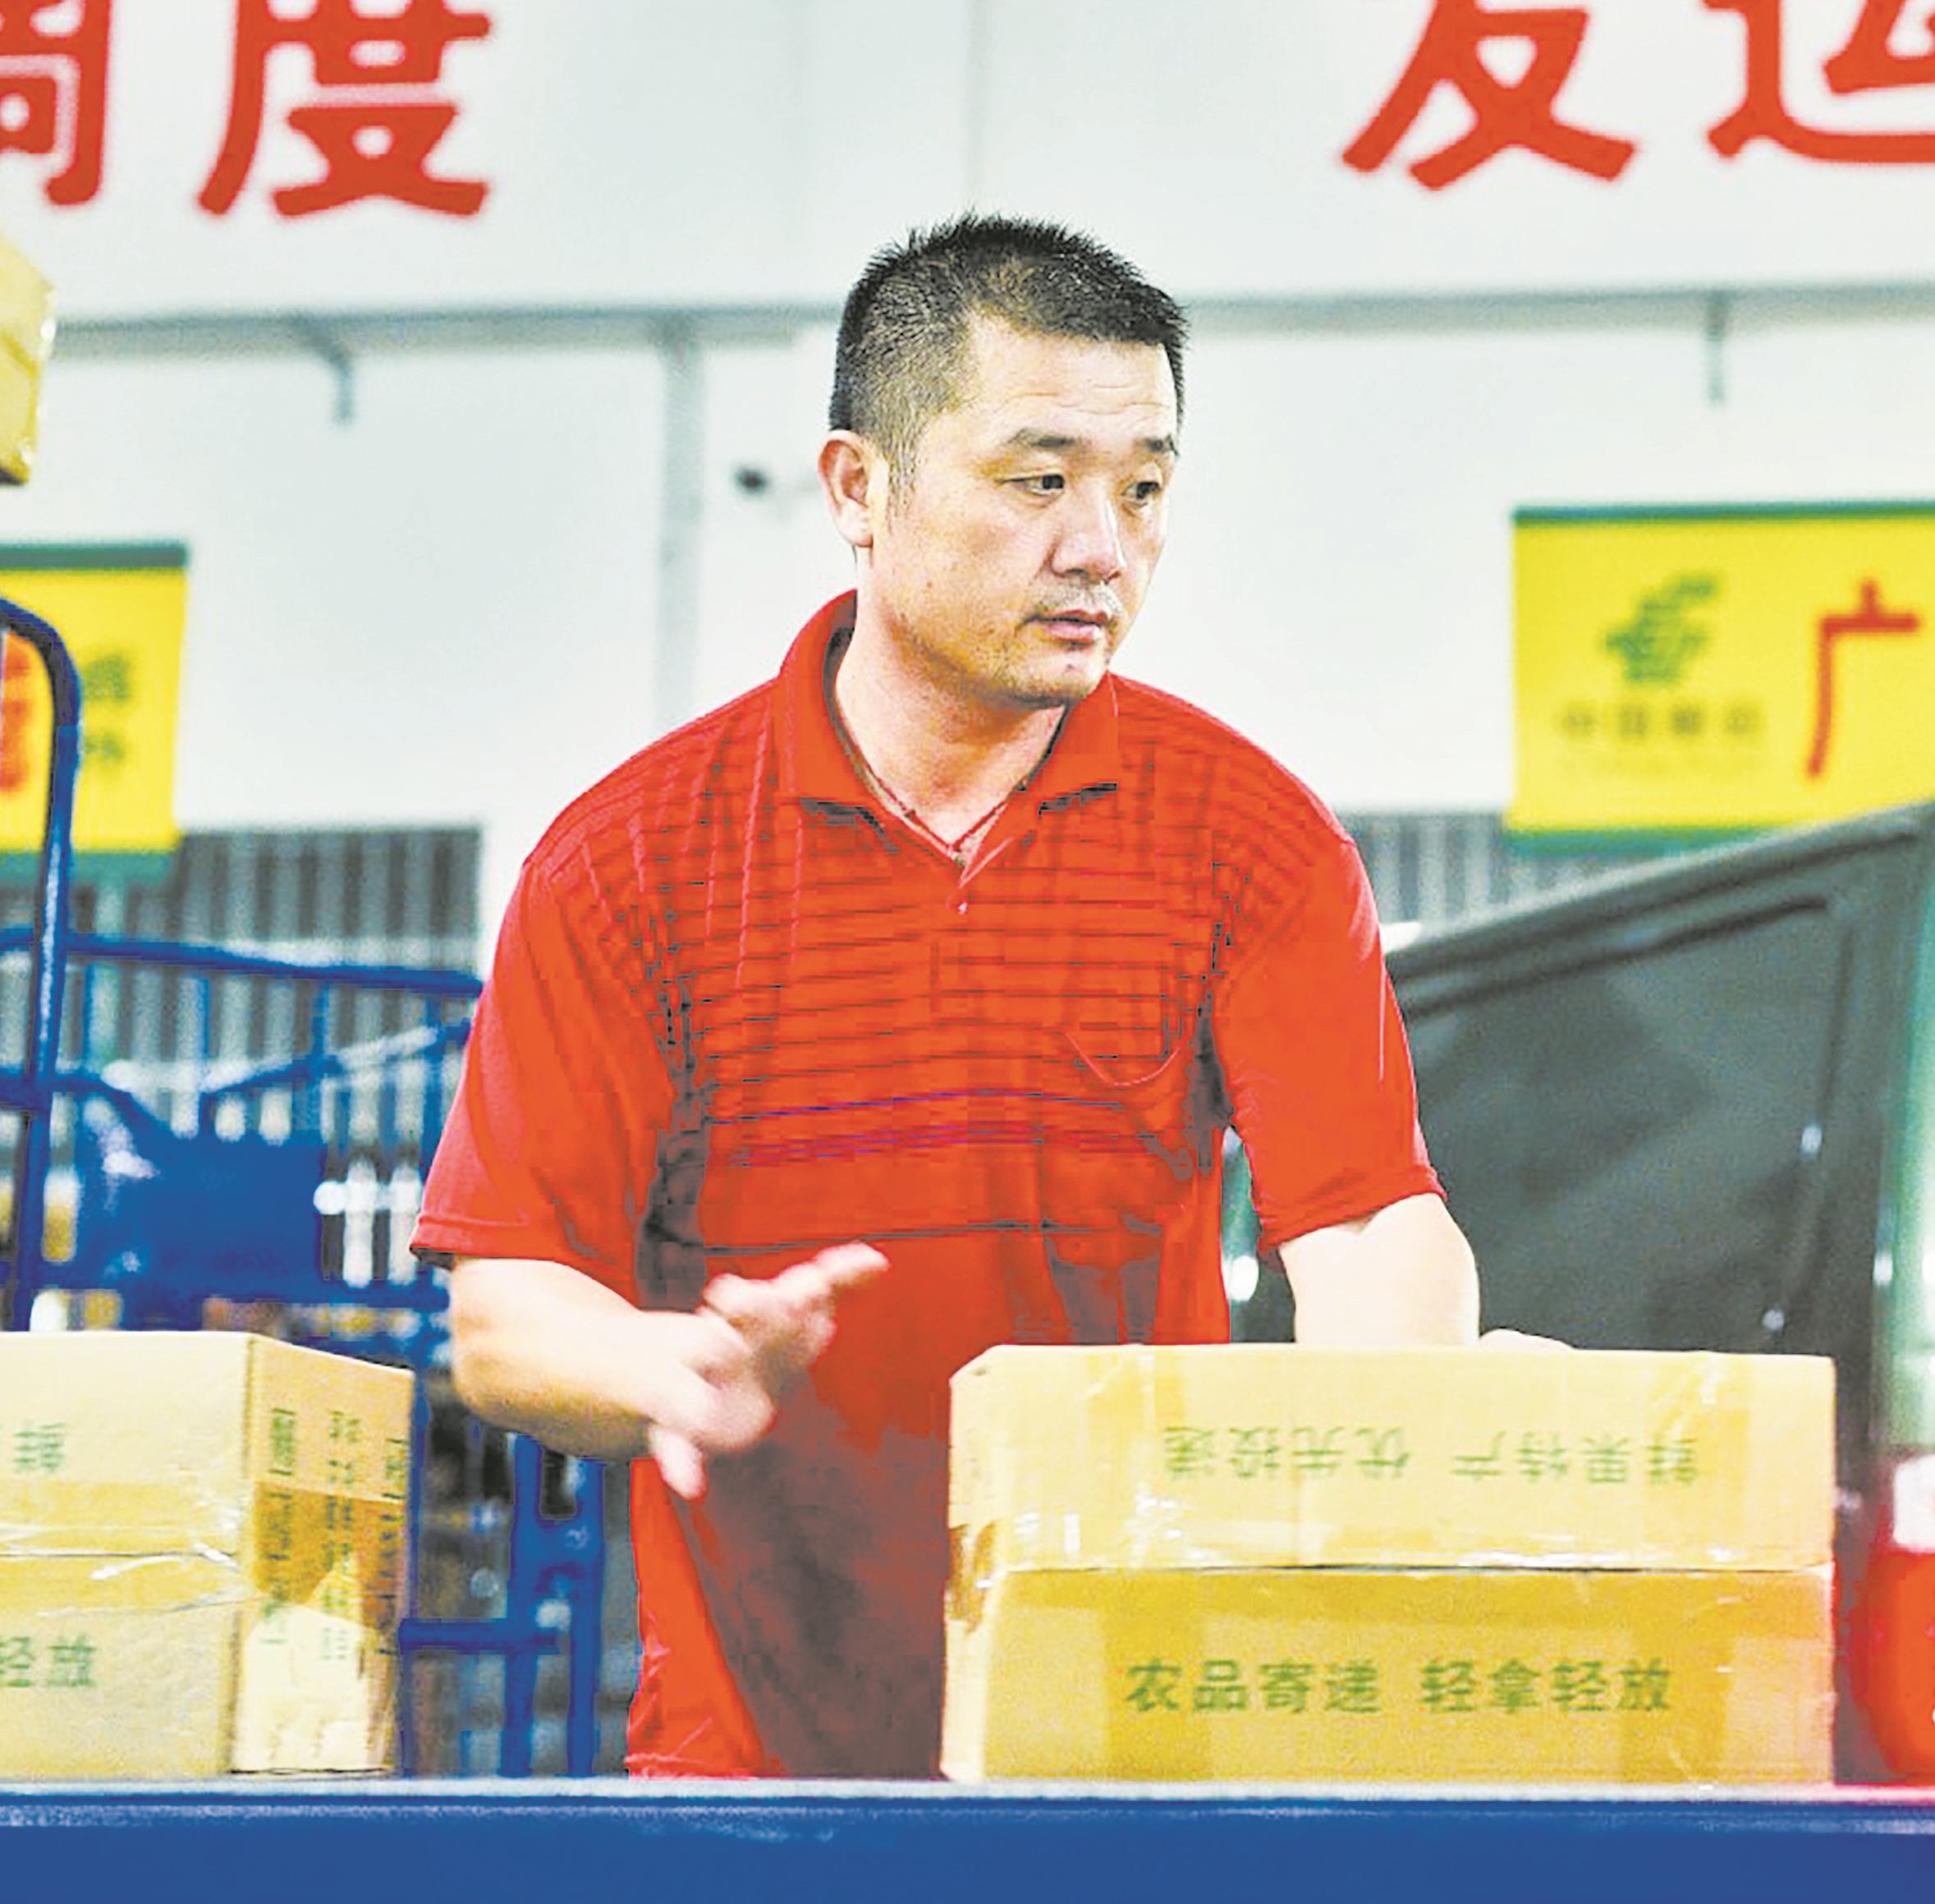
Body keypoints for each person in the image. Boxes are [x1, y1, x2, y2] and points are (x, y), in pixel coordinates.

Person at [414, 212, 1483, 1778]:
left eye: (1145, 487)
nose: (1102, 546)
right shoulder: (629, 866)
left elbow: (1371, 1223)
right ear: (860, 488)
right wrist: (668, 1367)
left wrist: (1405, 1442)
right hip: (756, 1768)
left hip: (1130, 1744)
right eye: (1040, 479)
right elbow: (506, 1311)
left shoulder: (1248, 840)